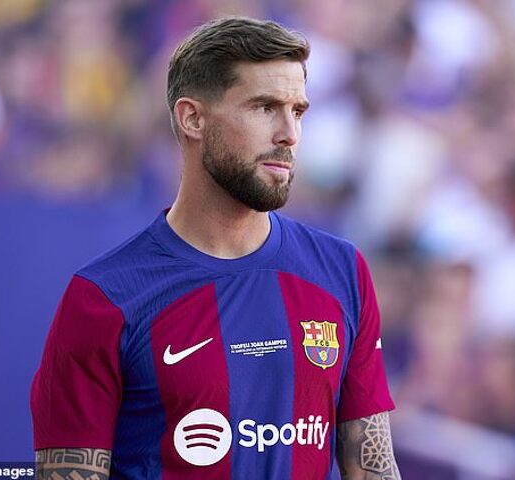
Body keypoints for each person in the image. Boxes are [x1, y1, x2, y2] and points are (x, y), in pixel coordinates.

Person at [31, 16, 399, 479]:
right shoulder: (102, 299)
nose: (289, 133)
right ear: (193, 118)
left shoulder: (341, 271)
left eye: (298, 111)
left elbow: (373, 469)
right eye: (264, 107)